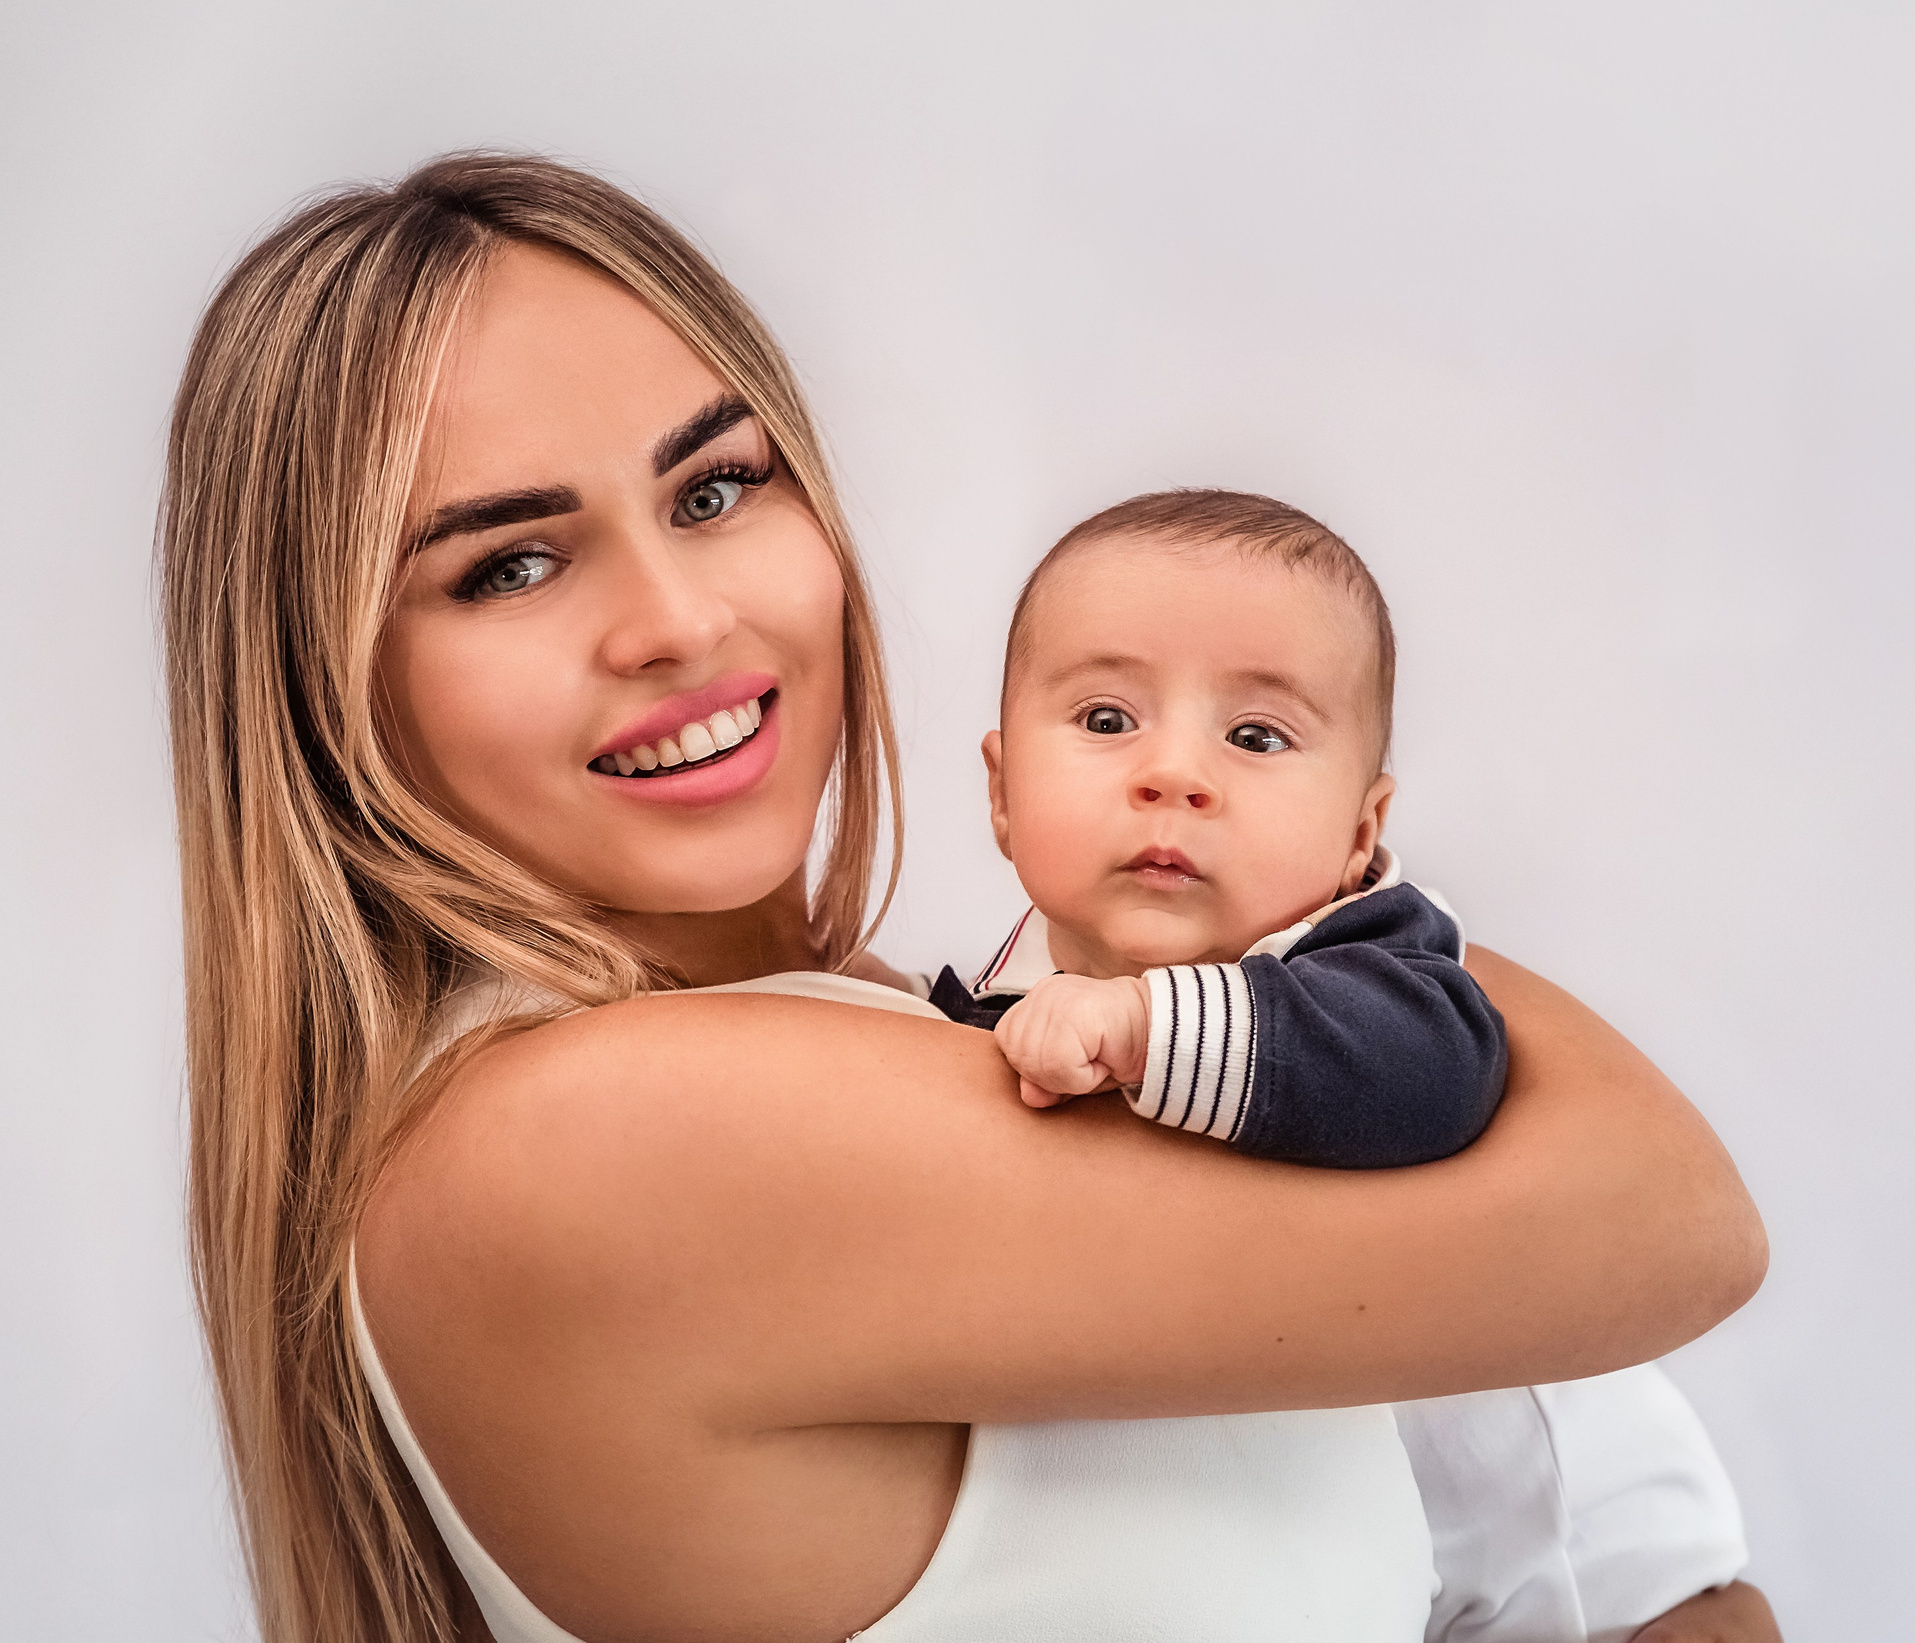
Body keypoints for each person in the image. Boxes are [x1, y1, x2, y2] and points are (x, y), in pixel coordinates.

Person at [160, 151, 1773, 1643]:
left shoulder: (898, 1033)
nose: (676, 619)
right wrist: (1312, 860)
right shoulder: (575, 1144)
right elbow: (1670, 1214)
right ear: (324, 695)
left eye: (717, 487)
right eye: (509, 564)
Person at [925, 485, 1773, 1640]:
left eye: (1256, 737)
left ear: (1362, 834)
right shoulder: (987, 1011)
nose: (1175, 775)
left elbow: (1427, 1077)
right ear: (1001, 794)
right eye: (1108, 720)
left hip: (1589, 1557)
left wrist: (1140, 1027)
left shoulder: (1378, 966)